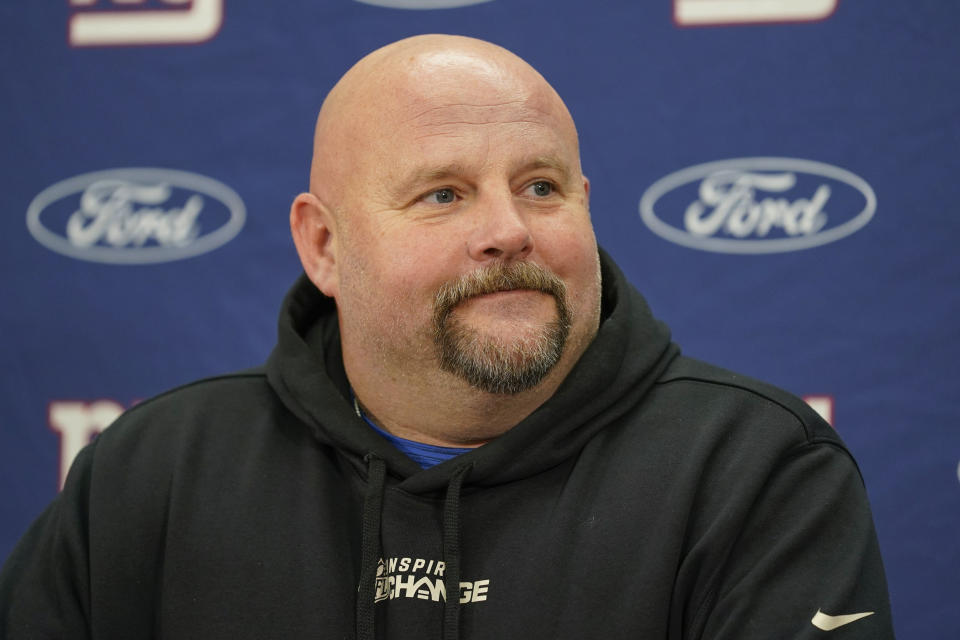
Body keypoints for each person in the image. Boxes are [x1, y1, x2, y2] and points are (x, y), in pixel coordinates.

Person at [0, 34, 894, 639]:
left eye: (541, 187)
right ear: (324, 244)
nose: (508, 229)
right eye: (444, 194)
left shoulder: (760, 472)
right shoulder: (153, 471)